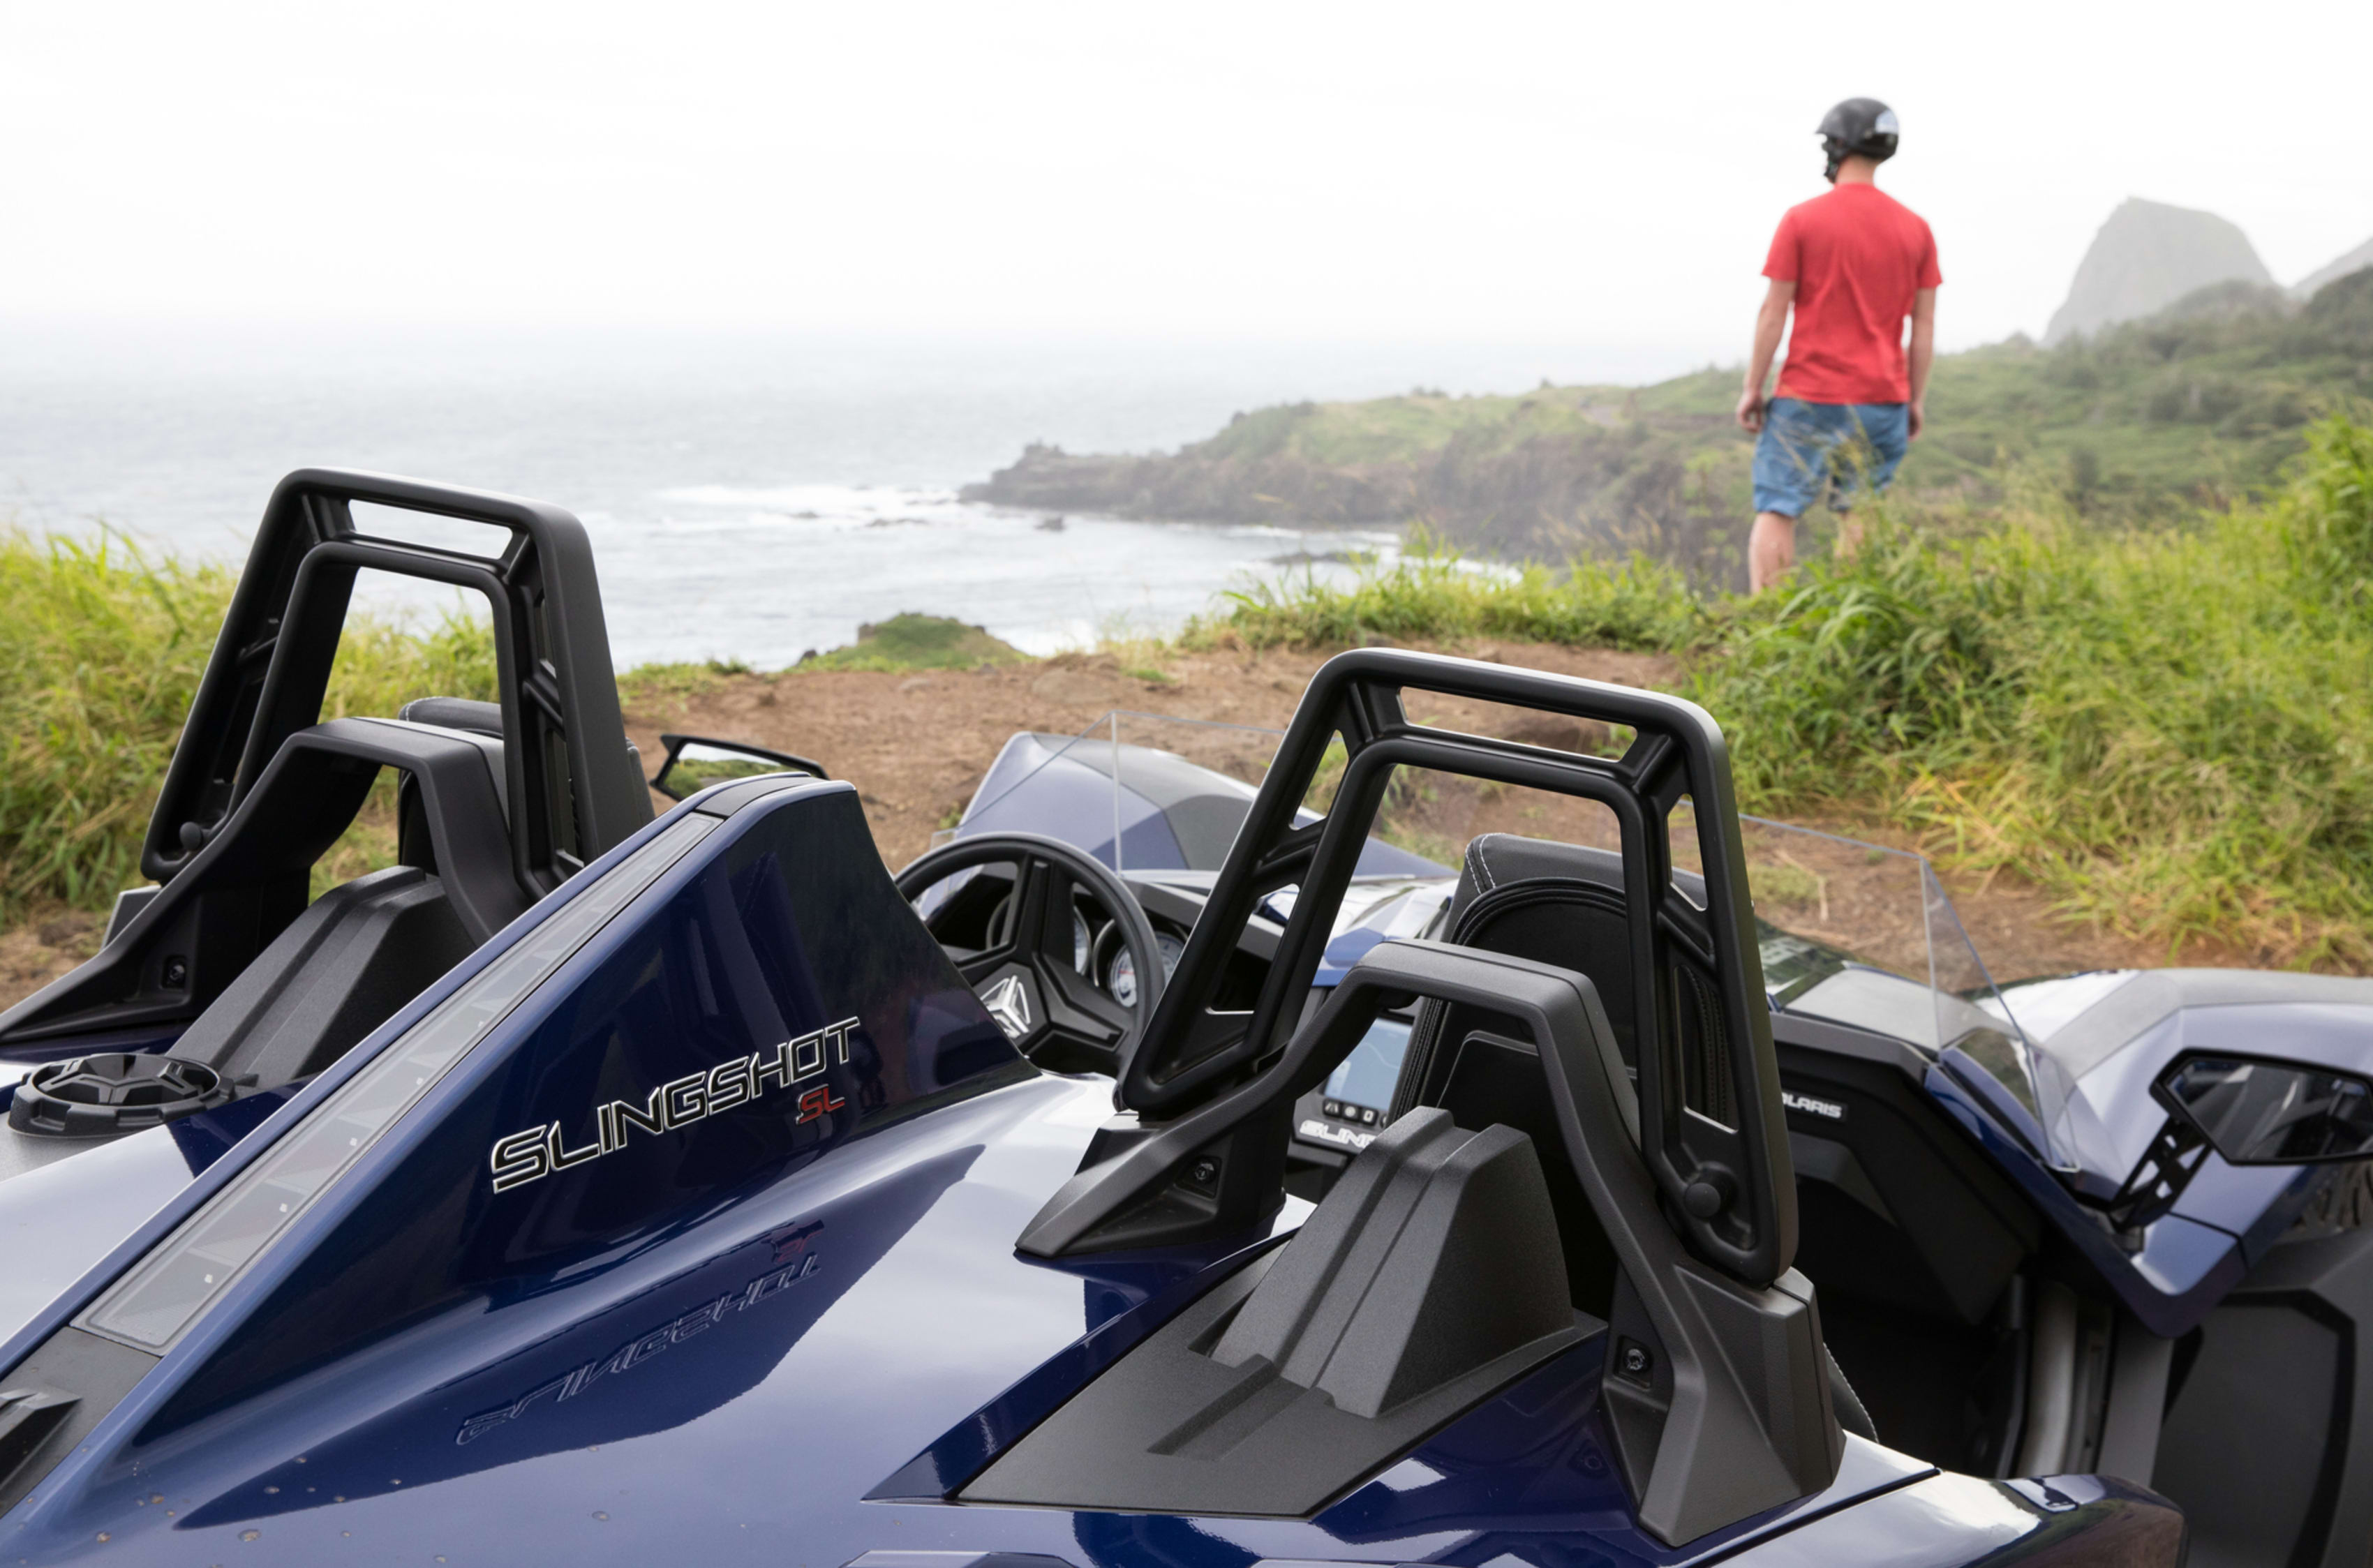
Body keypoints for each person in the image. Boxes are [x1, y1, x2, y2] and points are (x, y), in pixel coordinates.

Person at [1736, 98, 1940, 592]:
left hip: (1809, 394)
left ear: (1838, 144)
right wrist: (1914, 399)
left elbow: (1774, 313)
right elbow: (1924, 327)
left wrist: (1752, 388)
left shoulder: (1803, 220)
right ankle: (1847, 624)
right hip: (1882, 400)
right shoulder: (1916, 229)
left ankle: (1772, 620)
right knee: (1860, 513)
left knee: (1778, 508)